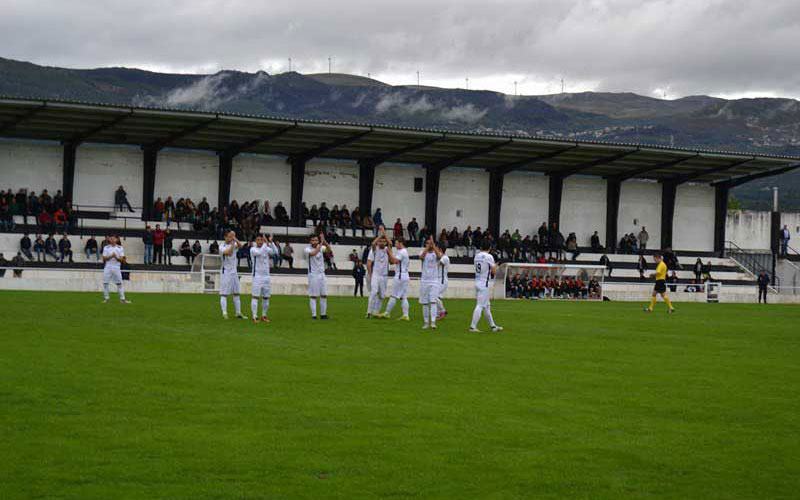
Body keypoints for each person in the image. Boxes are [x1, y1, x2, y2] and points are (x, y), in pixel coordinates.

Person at [470, 240, 503, 332]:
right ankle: (472, 327)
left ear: (481, 247)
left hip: (477, 281)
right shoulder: (489, 257)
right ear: (489, 248)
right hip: (484, 283)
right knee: (480, 305)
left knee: (487, 306)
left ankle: (493, 326)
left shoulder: (476, 256)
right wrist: (495, 266)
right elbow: (494, 272)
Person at [250, 233, 279, 323]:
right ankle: (254, 316)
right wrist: (265, 244)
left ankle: (264, 315)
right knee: (255, 296)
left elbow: (275, 252)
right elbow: (259, 253)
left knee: (266, 297)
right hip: (257, 276)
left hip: (266, 276)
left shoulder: (265, 248)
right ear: (255, 241)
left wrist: (270, 242)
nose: (260, 241)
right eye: (258, 240)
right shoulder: (253, 249)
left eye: (261, 240)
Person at [219, 230, 246, 319]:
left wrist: (235, 239)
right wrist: (233, 242)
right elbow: (228, 252)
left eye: (232, 236)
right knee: (224, 294)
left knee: (236, 293)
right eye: (229, 236)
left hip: (234, 272)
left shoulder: (233, 244)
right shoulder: (221, 246)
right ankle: (224, 313)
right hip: (226, 272)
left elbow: (241, 246)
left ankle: (238, 313)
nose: (231, 238)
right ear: (225, 237)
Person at [381, 235, 410, 320]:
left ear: (400, 243)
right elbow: (392, 262)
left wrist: (389, 251)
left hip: (400, 276)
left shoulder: (402, 252)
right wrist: (390, 254)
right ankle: (405, 315)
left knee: (393, 295)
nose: (395, 245)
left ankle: (387, 313)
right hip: (405, 275)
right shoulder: (403, 251)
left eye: (396, 243)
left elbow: (394, 261)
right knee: (403, 296)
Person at [366, 230, 391, 319]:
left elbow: (390, 243)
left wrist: (384, 233)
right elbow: (373, 244)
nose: (382, 243)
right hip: (376, 275)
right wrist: (380, 236)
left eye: (384, 241)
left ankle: (376, 312)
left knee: (381, 295)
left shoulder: (387, 250)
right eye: (381, 241)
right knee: (373, 292)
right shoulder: (375, 249)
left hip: (384, 276)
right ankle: (368, 312)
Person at [419, 235, 443, 329]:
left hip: (434, 281)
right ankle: (426, 322)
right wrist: (427, 247)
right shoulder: (423, 252)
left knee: (433, 302)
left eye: (431, 243)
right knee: (425, 303)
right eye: (428, 243)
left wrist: (433, 246)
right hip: (424, 281)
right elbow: (421, 257)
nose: (430, 245)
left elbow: (439, 256)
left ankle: (433, 322)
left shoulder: (436, 253)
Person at [304, 233, 329, 319]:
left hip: (321, 274)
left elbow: (329, 250)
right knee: (313, 295)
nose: (315, 242)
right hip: (313, 274)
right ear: (310, 241)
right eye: (313, 240)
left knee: (324, 294)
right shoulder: (307, 249)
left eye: (316, 240)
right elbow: (314, 253)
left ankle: (323, 314)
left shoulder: (321, 247)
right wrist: (321, 243)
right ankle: (314, 315)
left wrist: (324, 241)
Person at [101, 235, 130, 303]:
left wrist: (116, 257)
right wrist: (111, 256)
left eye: (114, 239)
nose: (112, 240)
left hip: (116, 267)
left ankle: (122, 299)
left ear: (117, 240)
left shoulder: (120, 248)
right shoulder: (106, 247)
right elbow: (104, 258)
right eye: (111, 239)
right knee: (105, 283)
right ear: (109, 240)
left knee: (119, 283)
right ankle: (106, 299)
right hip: (108, 266)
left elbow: (122, 259)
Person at [435, 251, 450, 320]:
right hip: (439, 280)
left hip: (442, 280)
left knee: (434, 296)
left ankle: (443, 311)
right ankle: (438, 314)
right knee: (437, 297)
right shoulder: (442, 257)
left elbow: (438, 264)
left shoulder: (445, 258)